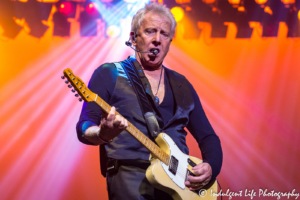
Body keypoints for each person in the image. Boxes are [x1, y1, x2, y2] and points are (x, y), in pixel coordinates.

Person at [76, 3, 222, 200]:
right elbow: (85, 125)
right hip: (130, 179)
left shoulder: (182, 84)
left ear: (170, 42)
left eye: (164, 34)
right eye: (150, 31)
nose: (157, 40)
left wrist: (211, 166)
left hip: (181, 185)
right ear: (133, 38)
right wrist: (102, 134)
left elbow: (208, 137)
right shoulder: (109, 73)